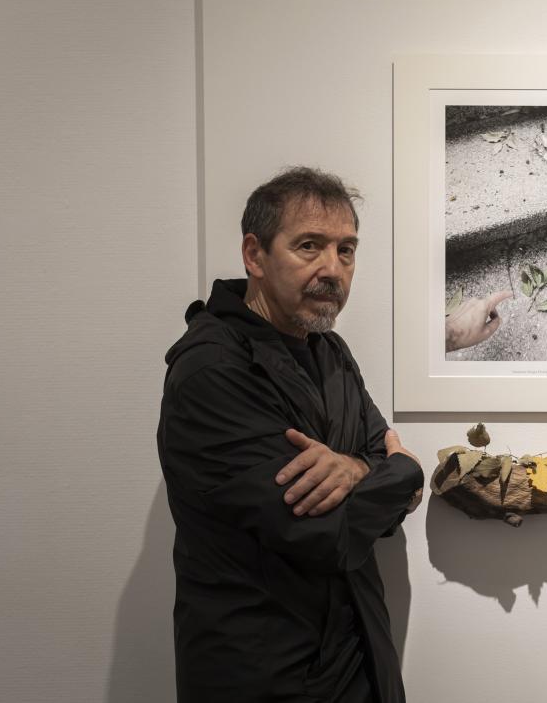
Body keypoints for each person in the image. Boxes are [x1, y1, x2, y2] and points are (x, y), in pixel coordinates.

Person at [157, 166, 424, 702]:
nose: (333, 269)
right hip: (263, 676)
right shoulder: (212, 371)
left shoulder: (330, 350)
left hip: (358, 661)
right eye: (310, 246)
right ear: (255, 256)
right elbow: (327, 532)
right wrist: (404, 470)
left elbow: (377, 459)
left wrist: (360, 468)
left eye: (346, 250)